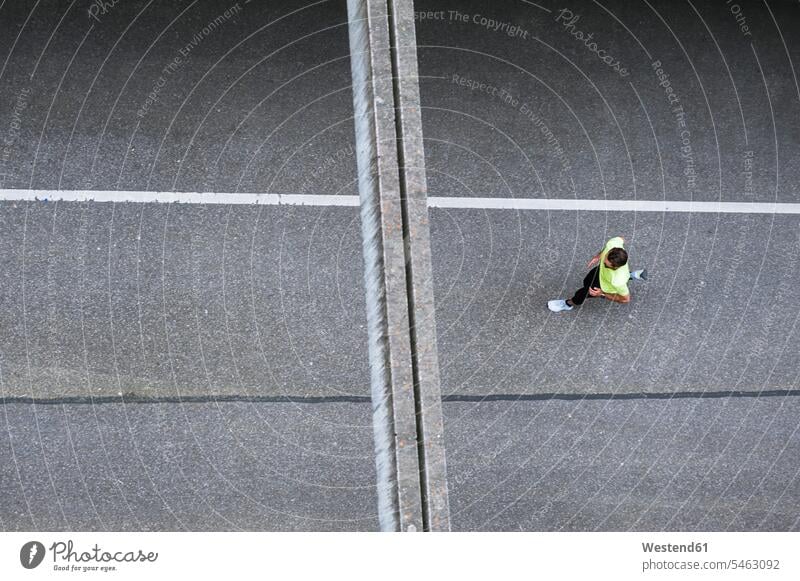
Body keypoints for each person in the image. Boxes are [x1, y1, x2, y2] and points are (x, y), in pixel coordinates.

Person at [548, 236, 646, 312]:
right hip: (600, 272)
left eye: (606, 264)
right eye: (605, 257)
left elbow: (625, 299)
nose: (603, 261)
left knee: (583, 292)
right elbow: (621, 238)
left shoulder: (617, 281)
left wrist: (602, 294)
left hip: (604, 285)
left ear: (615, 267)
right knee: (586, 281)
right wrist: (598, 256)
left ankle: (568, 304)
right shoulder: (612, 245)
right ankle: (632, 275)